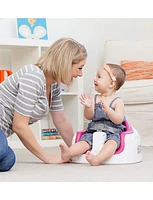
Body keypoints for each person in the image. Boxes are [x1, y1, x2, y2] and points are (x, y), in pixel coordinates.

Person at [0, 37, 87, 172]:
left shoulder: (53, 86)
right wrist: (48, 158)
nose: (80, 74)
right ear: (65, 63)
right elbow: (19, 126)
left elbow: (61, 119)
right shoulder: (33, 76)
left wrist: (75, 151)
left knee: (8, 159)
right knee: (1, 150)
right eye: (79, 68)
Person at [59, 63, 126, 166]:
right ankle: (69, 153)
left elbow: (119, 120)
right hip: (93, 131)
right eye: (96, 76)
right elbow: (88, 116)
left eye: (99, 77)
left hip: (112, 132)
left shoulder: (117, 101)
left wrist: (109, 111)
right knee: (84, 142)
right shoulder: (94, 98)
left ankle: (97, 159)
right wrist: (88, 106)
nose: (95, 79)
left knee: (112, 144)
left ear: (111, 84)